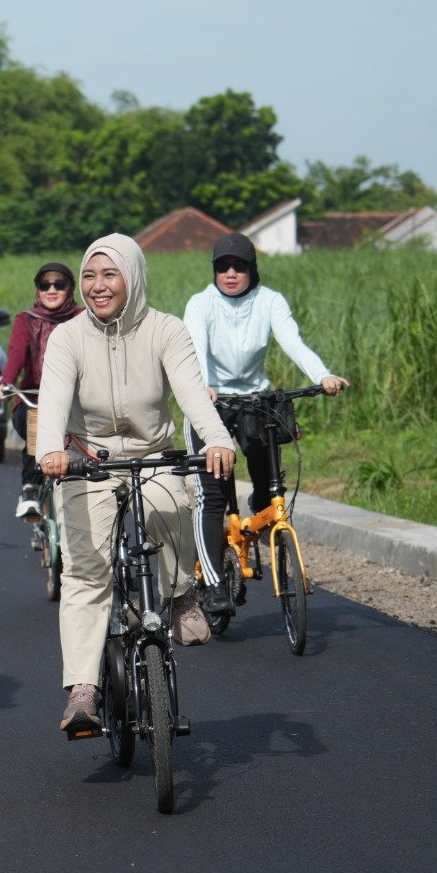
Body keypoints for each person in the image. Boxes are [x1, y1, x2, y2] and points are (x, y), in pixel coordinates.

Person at [36, 234, 235, 734]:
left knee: (171, 505)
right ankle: (83, 689)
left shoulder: (166, 330)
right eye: (89, 276)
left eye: (110, 274)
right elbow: (53, 398)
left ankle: (181, 594)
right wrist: (50, 451)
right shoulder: (68, 337)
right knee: (86, 571)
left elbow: (192, 393)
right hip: (86, 462)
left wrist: (217, 439)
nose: (97, 286)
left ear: (134, 277)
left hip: (152, 455)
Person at [182, 232, 348, 616]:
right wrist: (203, 385)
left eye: (239, 266)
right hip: (210, 402)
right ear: (214, 270)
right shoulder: (200, 304)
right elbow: (195, 347)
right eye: (223, 266)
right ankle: (214, 585)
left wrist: (322, 375)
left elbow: (293, 341)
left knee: (268, 481)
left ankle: (261, 509)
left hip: (255, 399)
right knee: (212, 496)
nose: (231, 273)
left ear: (252, 269)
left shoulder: (269, 301)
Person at [0, 262, 82, 519]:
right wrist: (5, 384)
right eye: (44, 285)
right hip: (34, 398)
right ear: (37, 291)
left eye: (59, 284)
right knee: (37, 423)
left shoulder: (82, 318)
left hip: (75, 400)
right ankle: (30, 489)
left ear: (70, 288)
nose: (51, 290)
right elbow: (16, 354)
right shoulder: (26, 320)